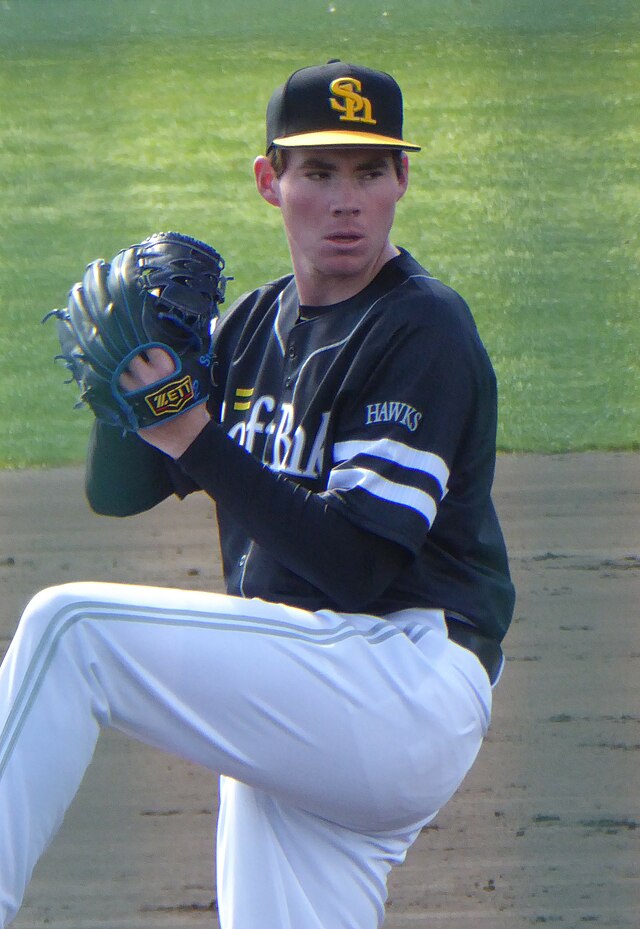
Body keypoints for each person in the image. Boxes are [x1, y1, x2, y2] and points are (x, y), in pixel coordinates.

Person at [0, 60, 515, 929]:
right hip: (310, 704)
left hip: (400, 677)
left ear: (402, 181)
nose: (345, 201)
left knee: (71, 629)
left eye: (368, 172)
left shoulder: (421, 326)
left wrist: (191, 430)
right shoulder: (249, 328)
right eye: (319, 172)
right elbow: (120, 495)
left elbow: (356, 566)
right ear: (270, 183)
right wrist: (121, 394)